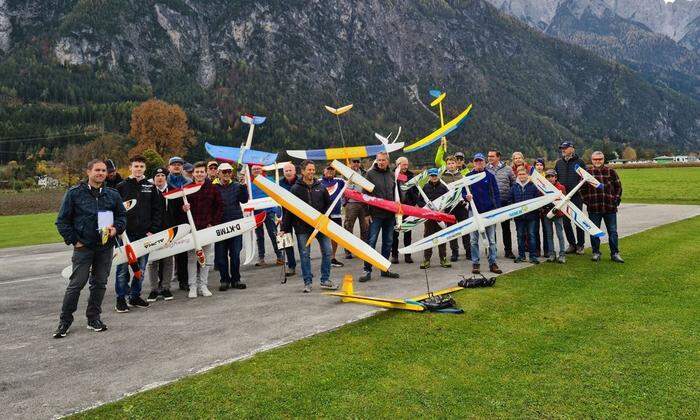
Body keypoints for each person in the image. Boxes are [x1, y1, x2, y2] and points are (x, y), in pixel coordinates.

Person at [53, 159, 127, 338]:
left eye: (103, 170)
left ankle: (93, 318)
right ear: (88, 172)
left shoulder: (113, 194)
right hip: (83, 247)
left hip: (105, 248)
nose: (101, 173)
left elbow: (122, 216)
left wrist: (116, 228)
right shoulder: (74, 194)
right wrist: (74, 241)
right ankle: (65, 321)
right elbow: (62, 221)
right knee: (76, 284)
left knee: (100, 283)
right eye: (97, 170)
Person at [114, 155, 163, 312]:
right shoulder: (121, 186)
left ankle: (135, 295)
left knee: (140, 269)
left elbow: (157, 210)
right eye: (136, 166)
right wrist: (118, 230)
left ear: (145, 169)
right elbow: (114, 209)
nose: (138, 169)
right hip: (125, 235)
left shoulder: (151, 187)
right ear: (130, 168)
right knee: (122, 269)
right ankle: (120, 299)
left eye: (141, 167)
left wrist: (153, 230)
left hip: (144, 234)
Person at [279, 160, 336, 293]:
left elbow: (328, 206)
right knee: (305, 254)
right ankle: (307, 282)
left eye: (313, 169)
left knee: (327, 251)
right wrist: (284, 229)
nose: (311, 172)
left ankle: (325, 280)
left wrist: (330, 224)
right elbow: (289, 210)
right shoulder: (295, 189)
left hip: (320, 227)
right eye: (308, 169)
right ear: (303, 171)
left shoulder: (321, 187)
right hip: (302, 228)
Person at [182, 161, 223, 298]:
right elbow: (179, 209)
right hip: (192, 229)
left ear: (206, 173)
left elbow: (219, 207)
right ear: (193, 173)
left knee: (206, 257)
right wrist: (183, 209)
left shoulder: (213, 188)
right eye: (197, 172)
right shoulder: (186, 189)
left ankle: (203, 285)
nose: (199, 174)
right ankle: (192, 286)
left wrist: (213, 223)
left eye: (202, 172)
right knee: (192, 258)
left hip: (207, 227)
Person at [359, 152, 400, 282]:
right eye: (378, 160)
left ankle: (384, 268)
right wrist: (366, 213)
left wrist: (398, 208)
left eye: (383, 160)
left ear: (388, 161)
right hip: (375, 215)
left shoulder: (392, 175)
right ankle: (367, 269)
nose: (380, 162)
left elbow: (397, 193)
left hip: (390, 215)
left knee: (388, 242)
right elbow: (364, 194)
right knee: (371, 242)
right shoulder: (370, 174)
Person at [581, 151, 624, 263]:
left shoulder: (611, 171)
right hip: (594, 208)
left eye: (600, 159)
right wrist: (588, 202)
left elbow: (618, 187)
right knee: (594, 231)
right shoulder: (587, 173)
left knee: (613, 231)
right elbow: (582, 190)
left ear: (603, 159)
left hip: (609, 207)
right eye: (595, 159)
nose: (597, 161)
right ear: (592, 160)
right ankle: (596, 252)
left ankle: (615, 253)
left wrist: (615, 200)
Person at [465, 153, 502, 274]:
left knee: (491, 239)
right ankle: (475, 263)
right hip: (474, 212)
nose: (478, 163)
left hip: (489, 212)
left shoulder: (490, 176)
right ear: (473, 162)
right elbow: (462, 193)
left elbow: (496, 193)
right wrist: (467, 197)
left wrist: (497, 210)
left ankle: (493, 263)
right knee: (473, 240)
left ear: (484, 162)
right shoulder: (468, 176)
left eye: (480, 161)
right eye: (476, 161)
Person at [214, 162, 249, 291]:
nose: (227, 174)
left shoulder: (237, 186)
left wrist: (244, 186)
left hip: (236, 224)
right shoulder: (214, 187)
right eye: (224, 172)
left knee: (235, 254)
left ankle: (236, 279)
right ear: (218, 173)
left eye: (229, 171)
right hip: (220, 225)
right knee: (221, 256)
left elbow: (244, 200)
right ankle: (224, 280)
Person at [146, 167, 177, 302]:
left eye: (162, 175)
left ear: (166, 177)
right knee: (153, 261)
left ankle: (165, 287)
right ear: (153, 178)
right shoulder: (149, 191)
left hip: (169, 231)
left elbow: (178, 211)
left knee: (168, 260)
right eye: (157, 175)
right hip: (153, 231)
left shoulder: (173, 190)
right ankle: (154, 289)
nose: (159, 177)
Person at [554, 141, 586, 254]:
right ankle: (572, 244)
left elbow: (585, 179)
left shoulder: (580, 162)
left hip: (576, 197)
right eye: (562, 148)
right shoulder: (558, 163)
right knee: (566, 222)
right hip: (563, 197)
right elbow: (555, 179)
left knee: (578, 221)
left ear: (572, 149)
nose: (563, 150)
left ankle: (580, 245)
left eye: (565, 148)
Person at [250, 164, 284, 266]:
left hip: (269, 212)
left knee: (273, 234)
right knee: (259, 236)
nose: (256, 170)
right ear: (251, 171)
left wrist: (277, 210)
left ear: (262, 170)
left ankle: (279, 256)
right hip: (256, 213)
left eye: (258, 169)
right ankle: (261, 258)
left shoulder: (269, 180)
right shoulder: (249, 182)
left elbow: (276, 193)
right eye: (254, 169)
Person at [166, 156, 191, 290]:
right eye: (174, 164)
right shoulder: (165, 182)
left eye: (179, 164)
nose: (176, 166)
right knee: (166, 253)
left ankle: (183, 280)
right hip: (168, 219)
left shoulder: (188, 182)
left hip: (183, 219)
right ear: (169, 167)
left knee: (183, 252)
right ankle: (163, 283)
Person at [418, 168, 450, 269]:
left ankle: (443, 258)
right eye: (432, 176)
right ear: (429, 177)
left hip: (441, 216)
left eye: (435, 175)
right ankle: (426, 259)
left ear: (438, 175)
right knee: (428, 237)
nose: (434, 177)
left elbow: (449, 200)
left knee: (442, 237)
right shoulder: (425, 187)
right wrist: (427, 209)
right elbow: (420, 201)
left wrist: (445, 211)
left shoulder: (443, 187)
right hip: (429, 217)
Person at [487, 149, 516, 259]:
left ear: (498, 157)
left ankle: (508, 251)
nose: (490, 158)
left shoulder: (508, 169)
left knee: (506, 228)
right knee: (491, 229)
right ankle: (492, 251)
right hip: (491, 203)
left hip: (505, 202)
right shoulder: (486, 169)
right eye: (489, 156)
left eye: (492, 156)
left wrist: (511, 198)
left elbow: (514, 184)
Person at [441, 154, 469, 261]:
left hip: (461, 206)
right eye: (449, 164)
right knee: (452, 231)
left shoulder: (462, 176)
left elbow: (466, 190)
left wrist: (466, 200)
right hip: (449, 208)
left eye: (453, 163)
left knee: (465, 229)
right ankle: (454, 252)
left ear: (456, 164)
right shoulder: (443, 178)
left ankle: (468, 251)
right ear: (446, 165)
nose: (451, 165)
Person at [510, 166, 540, 264]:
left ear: (527, 175)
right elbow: (511, 200)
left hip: (531, 216)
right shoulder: (514, 187)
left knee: (531, 235)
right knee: (520, 236)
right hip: (519, 217)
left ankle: (533, 256)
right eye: (519, 174)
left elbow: (537, 201)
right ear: (517, 175)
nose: (521, 176)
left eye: (523, 174)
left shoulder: (533, 186)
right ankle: (521, 255)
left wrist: (534, 211)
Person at [391, 156, 418, 264]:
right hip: (395, 208)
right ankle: (394, 255)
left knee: (407, 232)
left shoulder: (411, 175)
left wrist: (414, 202)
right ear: (398, 165)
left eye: (407, 164)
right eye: (403, 165)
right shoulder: (391, 175)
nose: (406, 167)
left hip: (408, 208)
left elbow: (416, 190)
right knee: (395, 233)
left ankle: (408, 255)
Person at [343, 158, 369, 259]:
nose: (356, 163)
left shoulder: (365, 173)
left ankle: (363, 250)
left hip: (363, 203)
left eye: (358, 161)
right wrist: (344, 203)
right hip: (351, 204)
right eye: (354, 161)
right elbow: (342, 187)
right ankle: (348, 251)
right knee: (348, 227)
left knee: (365, 228)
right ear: (351, 163)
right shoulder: (345, 174)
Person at [321, 165, 346, 268]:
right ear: (324, 171)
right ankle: (325, 257)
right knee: (323, 237)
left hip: (336, 214)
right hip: (323, 215)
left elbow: (350, 183)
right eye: (328, 169)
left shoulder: (340, 181)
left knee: (335, 237)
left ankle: (333, 257)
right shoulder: (318, 181)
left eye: (332, 170)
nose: (330, 171)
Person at [541, 169, 567, 264]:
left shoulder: (561, 187)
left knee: (560, 234)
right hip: (547, 214)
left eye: (552, 176)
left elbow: (563, 201)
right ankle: (552, 254)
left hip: (558, 214)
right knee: (549, 235)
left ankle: (562, 254)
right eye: (548, 177)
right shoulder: (543, 187)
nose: (550, 178)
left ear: (555, 177)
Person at [279, 162, 299, 276]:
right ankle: (291, 266)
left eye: (290, 170)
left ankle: (306, 264)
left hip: (299, 215)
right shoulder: (280, 183)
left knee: (302, 241)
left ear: (294, 171)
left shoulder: (300, 181)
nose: (288, 172)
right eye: (286, 171)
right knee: (287, 241)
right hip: (286, 215)